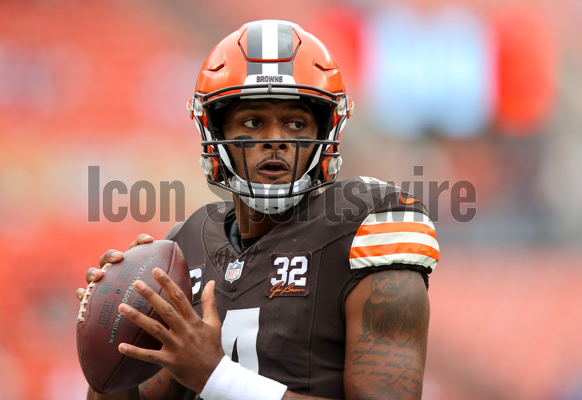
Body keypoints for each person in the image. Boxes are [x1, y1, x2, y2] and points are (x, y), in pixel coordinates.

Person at [77, 19, 439, 400]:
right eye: (253, 122)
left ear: (326, 133)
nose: (275, 141)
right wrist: (113, 347)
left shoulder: (369, 225)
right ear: (217, 136)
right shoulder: (186, 246)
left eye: (296, 123)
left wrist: (216, 378)